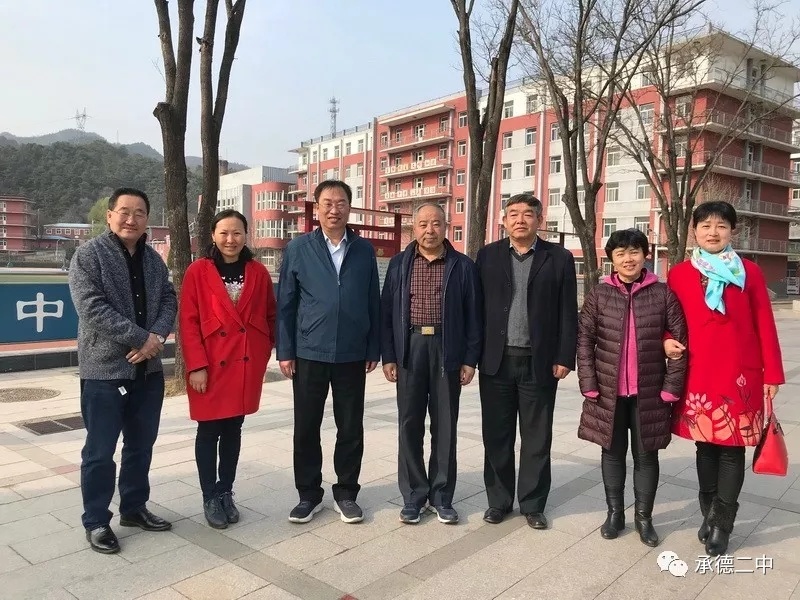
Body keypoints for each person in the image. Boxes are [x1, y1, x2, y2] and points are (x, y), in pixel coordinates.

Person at [664, 201, 784, 557]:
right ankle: (708, 512)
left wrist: (773, 373)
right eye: (705, 226)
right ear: (695, 231)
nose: (713, 232)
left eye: (721, 226)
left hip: (740, 375)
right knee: (704, 446)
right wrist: (665, 341)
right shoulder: (679, 274)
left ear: (733, 231)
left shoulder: (750, 272)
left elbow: (765, 324)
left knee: (732, 449)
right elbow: (667, 320)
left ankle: (722, 524)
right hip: (697, 372)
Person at [69, 187, 177, 554]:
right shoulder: (88, 255)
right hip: (104, 370)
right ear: (109, 216)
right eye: (125, 212)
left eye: (140, 213)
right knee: (100, 451)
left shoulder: (153, 260)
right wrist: (142, 338)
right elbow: (91, 307)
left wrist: (156, 336)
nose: (132, 219)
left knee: (140, 445)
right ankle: (97, 520)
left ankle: (134, 507)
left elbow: (168, 299)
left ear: (148, 219)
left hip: (148, 372)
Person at [276, 179, 380, 525]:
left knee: (350, 427)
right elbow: (286, 304)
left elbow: (373, 300)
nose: (334, 210)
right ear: (317, 208)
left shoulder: (363, 250)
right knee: (306, 426)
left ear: (350, 207)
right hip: (310, 351)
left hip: (352, 352)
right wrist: (286, 350)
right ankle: (308, 495)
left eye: (341, 203)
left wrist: (373, 346)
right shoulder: (298, 248)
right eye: (327, 203)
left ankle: (347, 493)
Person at [577, 228, 687, 547]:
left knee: (646, 456)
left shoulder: (663, 294)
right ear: (611, 259)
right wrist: (589, 382)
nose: (628, 258)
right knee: (611, 454)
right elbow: (584, 340)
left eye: (634, 251)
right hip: (607, 392)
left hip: (649, 392)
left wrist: (670, 388)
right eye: (621, 253)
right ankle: (615, 514)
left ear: (645, 256)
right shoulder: (599, 295)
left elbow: (680, 342)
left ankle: (644, 518)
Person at [475, 193, 577, 529]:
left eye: (528, 214)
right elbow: (476, 309)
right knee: (497, 435)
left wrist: (565, 356)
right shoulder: (488, 256)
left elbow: (568, 311)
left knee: (537, 437)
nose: (520, 220)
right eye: (513, 214)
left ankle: (533, 504)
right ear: (504, 221)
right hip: (496, 361)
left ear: (539, 220)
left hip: (539, 362)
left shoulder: (558, 258)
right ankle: (498, 502)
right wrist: (471, 356)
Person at [381, 202, 482, 525]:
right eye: (423, 224)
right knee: (409, 423)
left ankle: (441, 496)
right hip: (410, 347)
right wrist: (389, 356)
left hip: (446, 348)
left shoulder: (463, 266)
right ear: (414, 228)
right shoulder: (399, 264)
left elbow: (474, 317)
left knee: (445, 424)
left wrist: (469, 359)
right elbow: (386, 313)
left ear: (445, 226)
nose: (429, 230)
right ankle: (414, 495)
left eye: (436, 223)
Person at [179, 209, 276, 529]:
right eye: (223, 232)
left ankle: (226, 492)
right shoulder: (198, 270)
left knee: (234, 429)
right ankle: (210, 496)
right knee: (208, 431)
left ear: (246, 235)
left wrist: (263, 351)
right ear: (213, 235)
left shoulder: (258, 272)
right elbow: (188, 321)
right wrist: (196, 366)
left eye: (237, 233)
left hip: (244, 363)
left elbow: (270, 315)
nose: (230, 239)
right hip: (209, 363)